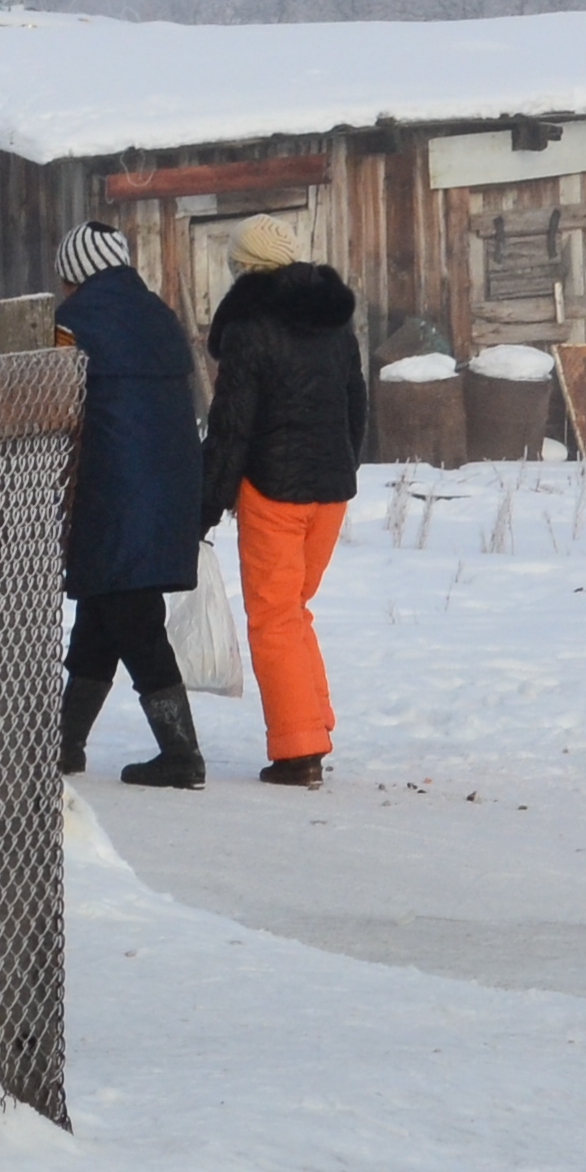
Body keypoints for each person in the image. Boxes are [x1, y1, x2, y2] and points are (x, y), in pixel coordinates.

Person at [199, 212, 367, 787]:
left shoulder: (249, 328)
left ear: (244, 268)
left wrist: (207, 503)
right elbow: (356, 406)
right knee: (294, 609)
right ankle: (313, 723)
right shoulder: (335, 323)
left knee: (273, 617)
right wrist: (343, 466)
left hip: (273, 489)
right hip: (331, 492)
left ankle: (299, 751)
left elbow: (231, 426)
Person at [52, 222, 209, 788]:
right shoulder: (160, 316)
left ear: (77, 272)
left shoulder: (72, 323)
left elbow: (54, 402)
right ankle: (64, 744)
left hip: (110, 485)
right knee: (104, 607)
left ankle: (181, 753)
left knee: (132, 616)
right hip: (169, 484)